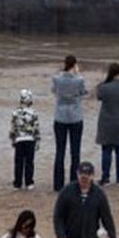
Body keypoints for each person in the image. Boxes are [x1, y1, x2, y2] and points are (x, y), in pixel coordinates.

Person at [51, 55, 87, 191]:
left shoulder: (57, 78)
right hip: (75, 116)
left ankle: (58, 184)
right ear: (74, 65)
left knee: (60, 151)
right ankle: (73, 182)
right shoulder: (79, 79)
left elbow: (54, 91)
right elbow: (83, 92)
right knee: (75, 151)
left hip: (60, 116)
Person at [95, 63, 119, 186]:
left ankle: (105, 178)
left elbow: (98, 95)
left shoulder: (104, 88)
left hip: (107, 122)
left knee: (106, 150)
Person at [9, 89, 40, 190]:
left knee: (18, 162)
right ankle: (29, 182)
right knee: (29, 162)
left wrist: (12, 140)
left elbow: (13, 128)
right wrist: (37, 140)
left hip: (19, 139)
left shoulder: (15, 113)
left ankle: (17, 183)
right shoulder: (33, 113)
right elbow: (36, 128)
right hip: (30, 139)